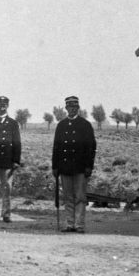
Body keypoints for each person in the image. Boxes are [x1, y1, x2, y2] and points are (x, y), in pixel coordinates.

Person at [51, 95, 96, 233]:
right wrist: (55, 166)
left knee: (80, 197)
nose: (72, 109)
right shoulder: (61, 125)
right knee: (68, 197)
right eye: (69, 107)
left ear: (78, 108)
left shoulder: (85, 125)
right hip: (65, 168)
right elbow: (56, 147)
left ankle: (79, 225)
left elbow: (91, 147)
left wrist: (89, 166)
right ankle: (70, 224)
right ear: (66, 108)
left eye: (74, 107)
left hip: (80, 168)